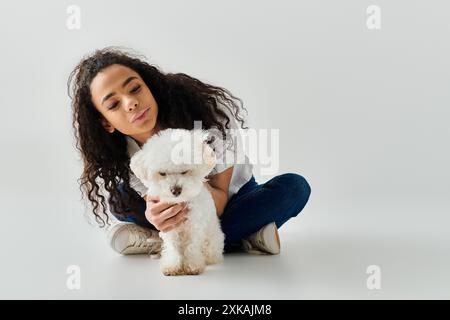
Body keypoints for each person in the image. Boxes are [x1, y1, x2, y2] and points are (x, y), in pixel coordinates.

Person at [68, 47, 311, 256]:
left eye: (135, 89)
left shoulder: (209, 115)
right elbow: (158, 202)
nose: (130, 102)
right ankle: (249, 236)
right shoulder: (127, 154)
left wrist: (184, 177)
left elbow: (217, 204)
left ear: (149, 87)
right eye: (113, 104)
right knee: (120, 199)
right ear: (106, 122)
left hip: (231, 200)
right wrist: (156, 217)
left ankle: (166, 244)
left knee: (294, 187)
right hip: (178, 210)